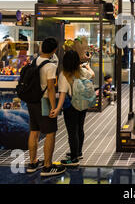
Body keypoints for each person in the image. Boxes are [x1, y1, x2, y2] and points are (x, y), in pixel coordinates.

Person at [26, 37, 66, 177]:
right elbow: (50, 88)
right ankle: (47, 166)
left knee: (34, 130)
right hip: (44, 102)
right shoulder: (50, 66)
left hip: (32, 101)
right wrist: (54, 107)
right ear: (55, 50)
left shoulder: (34, 61)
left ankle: (32, 163)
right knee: (50, 133)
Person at [52, 49, 94, 167]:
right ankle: (78, 152)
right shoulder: (82, 71)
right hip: (83, 104)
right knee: (80, 128)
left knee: (72, 131)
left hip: (71, 107)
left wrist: (57, 109)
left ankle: (74, 158)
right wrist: (87, 66)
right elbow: (93, 74)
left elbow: (62, 94)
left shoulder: (64, 75)